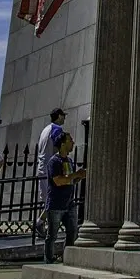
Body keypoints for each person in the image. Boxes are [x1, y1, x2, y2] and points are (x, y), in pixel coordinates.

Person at [43, 131, 84, 264]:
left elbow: (69, 180)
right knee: (52, 235)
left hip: (69, 203)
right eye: (70, 140)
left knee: (72, 231)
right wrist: (75, 175)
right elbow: (58, 181)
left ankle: (68, 257)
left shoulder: (69, 161)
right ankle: (49, 260)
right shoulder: (54, 161)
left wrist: (78, 177)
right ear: (62, 144)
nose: (72, 142)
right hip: (56, 204)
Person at [32, 107, 66, 238]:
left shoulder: (45, 129)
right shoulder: (57, 129)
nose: (64, 118)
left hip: (42, 167)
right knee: (53, 199)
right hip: (50, 169)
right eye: (63, 116)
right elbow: (60, 147)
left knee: (49, 199)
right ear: (58, 116)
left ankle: (43, 223)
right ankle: (41, 223)